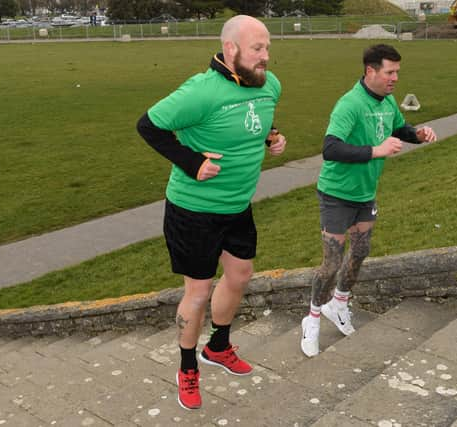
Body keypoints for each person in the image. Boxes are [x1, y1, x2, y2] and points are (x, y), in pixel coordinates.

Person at [136, 15, 286, 409]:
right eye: (258, 48)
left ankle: (218, 347)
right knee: (198, 291)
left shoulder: (269, 85)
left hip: (238, 206)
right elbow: (148, 125)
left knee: (239, 275)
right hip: (193, 210)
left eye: (268, 47)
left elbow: (259, 122)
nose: (266, 56)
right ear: (232, 49)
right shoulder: (200, 92)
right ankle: (187, 367)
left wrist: (272, 137)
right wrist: (191, 162)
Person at [300, 44, 437, 357]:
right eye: (390, 72)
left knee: (361, 250)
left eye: (397, 72)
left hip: (365, 193)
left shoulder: (387, 101)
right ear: (371, 71)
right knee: (332, 261)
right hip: (336, 194)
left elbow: (399, 128)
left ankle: (339, 303)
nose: (395, 79)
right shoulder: (350, 105)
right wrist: (375, 151)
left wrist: (419, 134)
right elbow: (330, 148)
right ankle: (313, 317)